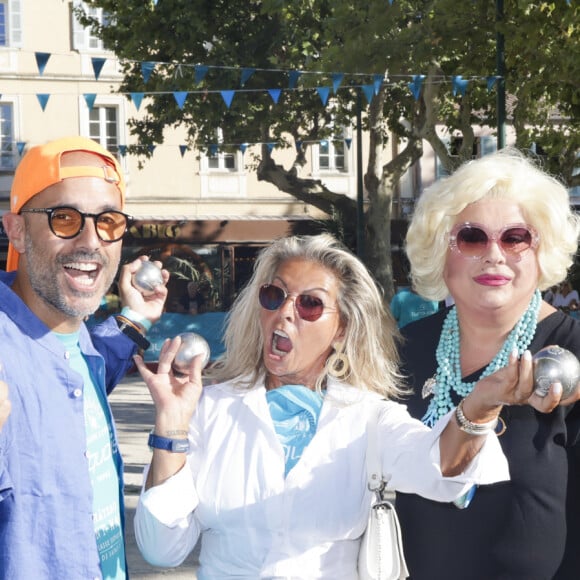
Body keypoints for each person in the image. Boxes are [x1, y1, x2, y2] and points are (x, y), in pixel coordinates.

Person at [131, 232, 557, 578]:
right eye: (274, 296)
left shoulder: (369, 417)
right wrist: (171, 424)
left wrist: (479, 405)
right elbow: (161, 549)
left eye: (310, 304)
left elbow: (442, 469)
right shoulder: (209, 408)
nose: (285, 314)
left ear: (342, 329)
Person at [396, 148, 580, 580]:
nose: (494, 254)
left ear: (541, 250)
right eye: (471, 238)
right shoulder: (403, 352)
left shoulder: (572, 355)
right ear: (440, 251)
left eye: (515, 238)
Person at [0, 136, 169, 579]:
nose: (90, 241)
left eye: (108, 221)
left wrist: (136, 318)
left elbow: (81, 371)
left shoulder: (76, 345)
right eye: (65, 218)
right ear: (16, 229)